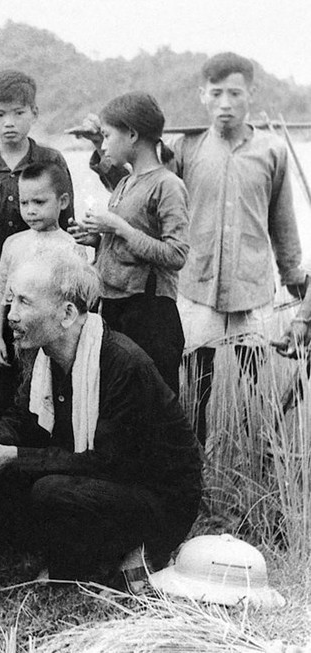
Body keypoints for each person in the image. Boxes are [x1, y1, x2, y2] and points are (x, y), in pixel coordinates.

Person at [83, 53, 307, 444]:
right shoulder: (186, 148)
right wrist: (100, 148)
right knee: (193, 391)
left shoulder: (272, 151)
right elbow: (143, 190)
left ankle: (260, 458)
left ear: (250, 94)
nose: (225, 103)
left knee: (256, 391)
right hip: (195, 288)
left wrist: (294, 279)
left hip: (251, 290)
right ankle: (193, 469)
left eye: (235, 93)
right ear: (202, 95)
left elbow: (282, 222)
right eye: (216, 93)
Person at [0, 249, 202, 587]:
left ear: (67, 314)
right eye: (11, 302)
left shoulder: (123, 364)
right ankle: (38, 560)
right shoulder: (46, 356)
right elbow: (19, 419)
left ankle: (119, 558)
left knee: (49, 490)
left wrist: (12, 456)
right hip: (103, 478)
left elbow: (106, 461)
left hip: (158, 498)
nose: (11, 315)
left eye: (24, 303)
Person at [0, 70, 75, 416]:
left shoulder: (51, 161)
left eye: (18, 113)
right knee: (2, 371)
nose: (8, 123)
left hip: (47, 289)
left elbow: (66, 221)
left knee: (50, 369)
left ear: (34, 114)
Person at [74, 92, 189, 394]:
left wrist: (119, 227)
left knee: (155, 406)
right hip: (115, 307)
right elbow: (127, 239)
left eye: (109, 135)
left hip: (150, 314)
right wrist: (98, 239)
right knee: (120, 403)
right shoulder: (126, 182)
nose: (106, 143)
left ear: (133, 134)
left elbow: (176, 254)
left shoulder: (168, 185)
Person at [0, 161, 85, 410]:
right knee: (16, 393)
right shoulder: (14, 244)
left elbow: (76, 304)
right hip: (18, 334)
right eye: (25, 203)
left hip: (54, 336)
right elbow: (3, 293)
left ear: (63, 201)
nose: (30, 210)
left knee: (51, 394)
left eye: (39, 202)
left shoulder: (71, 246)